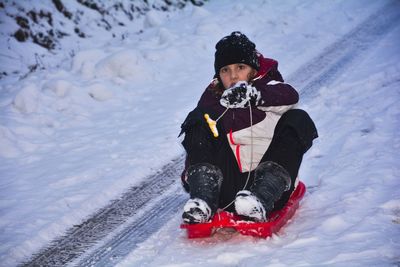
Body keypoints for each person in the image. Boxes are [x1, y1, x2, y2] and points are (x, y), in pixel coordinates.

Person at [179, 31, 318, 224]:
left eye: (240, 67)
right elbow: (199, 141)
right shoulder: (213, 97)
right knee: (197, 118)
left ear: (253, 69)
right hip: (226, 190)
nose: (233, 75)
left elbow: (290, 96)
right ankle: (203, 200)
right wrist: (194, 179)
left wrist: (252, 95)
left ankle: (260, 198)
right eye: (225, 70)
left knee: (298, 118)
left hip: (271, 189)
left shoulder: (268, 86)